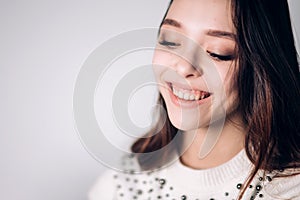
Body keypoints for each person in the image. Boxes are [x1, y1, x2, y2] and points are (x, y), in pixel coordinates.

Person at [88, 0, 300, 199]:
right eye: (171, 41)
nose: (183, 67)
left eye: (217, 53)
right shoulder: (119, 188)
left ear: (264, 64)